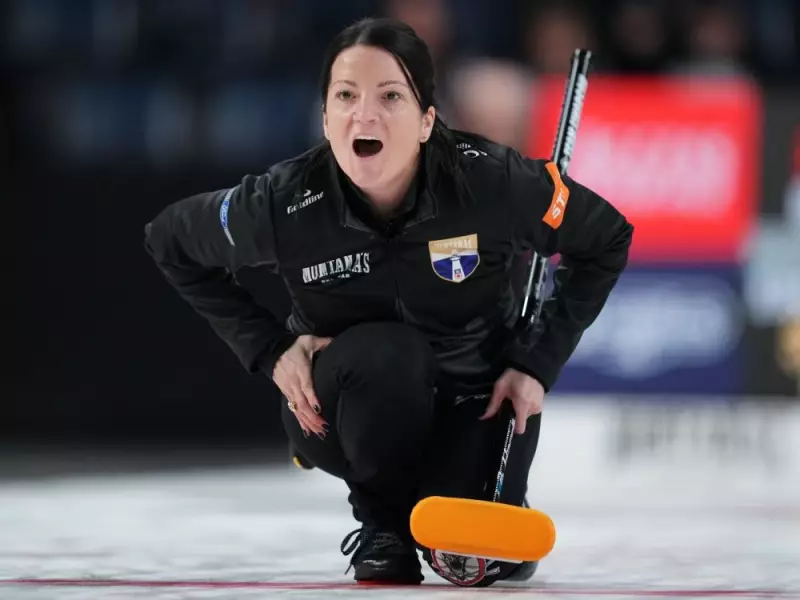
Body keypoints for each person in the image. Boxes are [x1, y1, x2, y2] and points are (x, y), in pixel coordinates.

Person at [144, 17, 633, 587]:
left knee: (483, 556)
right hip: (339, 409)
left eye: (391, 96)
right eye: (346, 96)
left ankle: (454, 497)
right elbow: (169, 240)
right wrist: (269, 348)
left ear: (427, 120)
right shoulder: (283, 202)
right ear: (325, 117)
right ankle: (382, 526)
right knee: (391, 353)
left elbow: (606, 239)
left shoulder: (494, 183)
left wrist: (535, 364)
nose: (365, 114)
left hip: (474, 400)